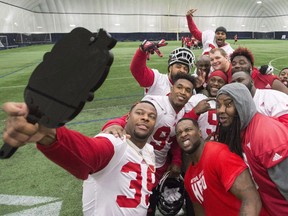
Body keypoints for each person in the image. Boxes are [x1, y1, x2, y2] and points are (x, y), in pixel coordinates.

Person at [2, 101, 158, 216]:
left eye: (151, 116)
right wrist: (48, 133)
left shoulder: (150, 151)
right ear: (127, 117)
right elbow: (89, 154)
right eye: (140, 113)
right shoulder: (116, 141)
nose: (145, 118)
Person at [95, 73, 196, 215]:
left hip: (159, 165)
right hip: (140, 162)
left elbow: (173, 140)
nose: (183, 92)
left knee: (150, 203)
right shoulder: (157, 104)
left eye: (187, 90)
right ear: (171, 88)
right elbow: (132, 118)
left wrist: (177, 161)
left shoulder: (182, 112)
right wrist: (114, 124)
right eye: (179, 87)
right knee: (133, 203)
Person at [215, 83, 288, 215]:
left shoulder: (266, 136)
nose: (220, 110)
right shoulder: (241, 130)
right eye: (218, 105)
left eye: (228, 104)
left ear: (242, 105)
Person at [175, 118, 262, 216]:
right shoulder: (188, 178)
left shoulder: (218, 154)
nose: (183, 135)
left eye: (188, 130)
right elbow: (200, 212)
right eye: (179, 133)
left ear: (199, 133)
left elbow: (251, 198)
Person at [130, 42, 195, 96]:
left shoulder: (189, 90)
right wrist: (142, 51)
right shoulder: (157, 80)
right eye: (178, 66)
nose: (182, 70)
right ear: (170, 68)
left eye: (185, 69)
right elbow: (137, 70)